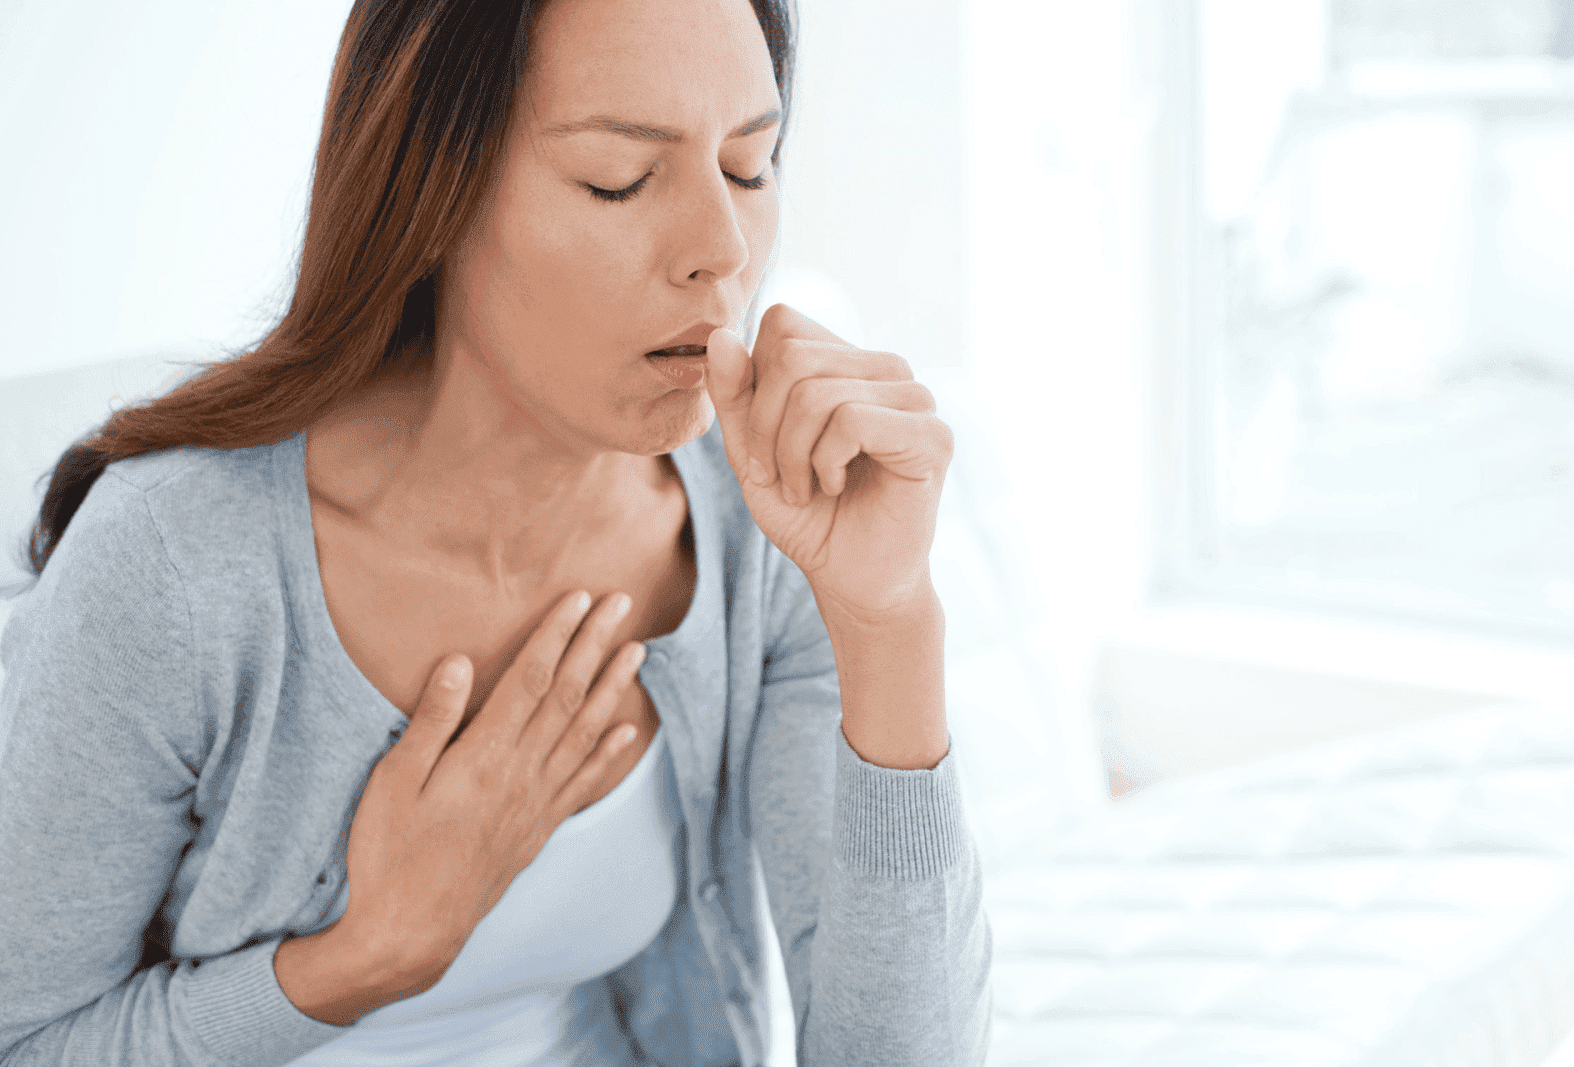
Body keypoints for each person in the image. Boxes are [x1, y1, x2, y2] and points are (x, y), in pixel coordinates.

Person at [0, 0, 993, 1063]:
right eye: (618, 176)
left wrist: (888, 618)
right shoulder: (174, 562)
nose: (724, 251)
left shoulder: (764, 518)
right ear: (430, 193)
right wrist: (369, 952)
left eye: (750, 166)